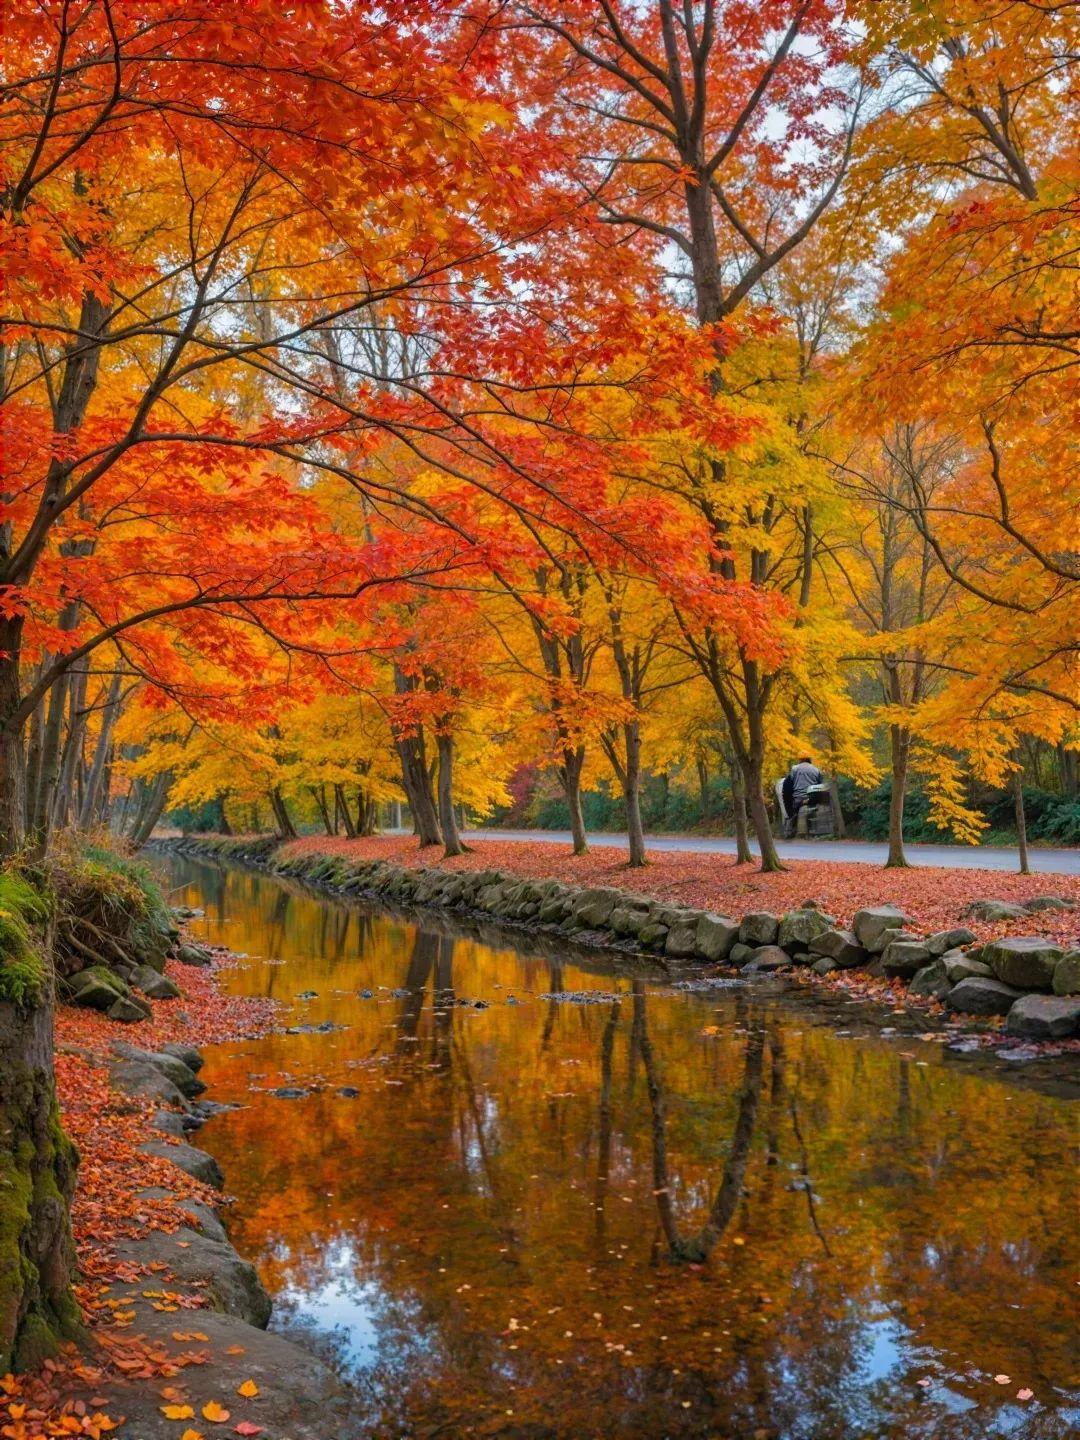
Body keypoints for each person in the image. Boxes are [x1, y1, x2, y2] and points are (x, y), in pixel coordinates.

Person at [784, 756, 823, 838]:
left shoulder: (794, 769)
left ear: (801, 759)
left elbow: (788, 785)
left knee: (793, 812)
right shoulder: (816, 770)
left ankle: (791, 831)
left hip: (798, 798)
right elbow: (820, 785)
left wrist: (788, 800)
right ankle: (813, 832)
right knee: (813, 811)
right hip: (811, 798)